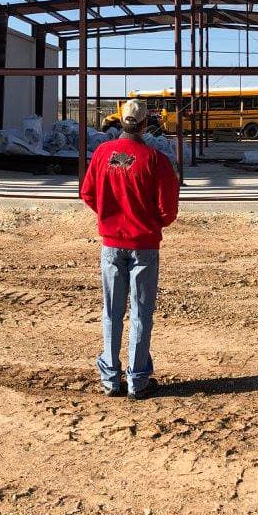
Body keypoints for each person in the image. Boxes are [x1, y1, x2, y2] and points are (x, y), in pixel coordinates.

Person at [79, 99, 180, 399]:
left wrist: (107, 216)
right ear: (146, 124)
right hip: (144, 245)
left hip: (111, 244)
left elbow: (88, 193)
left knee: (111, 311)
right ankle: (137, 379)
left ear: (121, 121)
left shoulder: (102, 154)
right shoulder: (155, 159)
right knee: (140, 312)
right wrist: (149, 222)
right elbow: (168, 210)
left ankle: (110, 378)